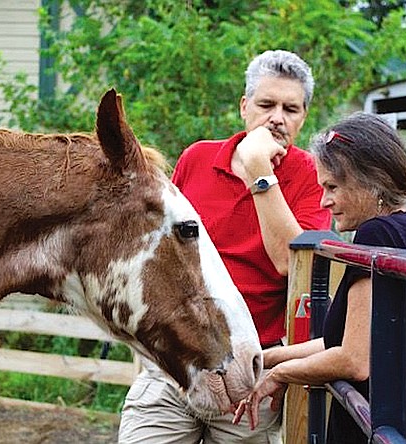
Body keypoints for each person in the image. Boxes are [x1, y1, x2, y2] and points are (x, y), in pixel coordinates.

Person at [118, 50, 331, 443]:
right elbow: (159, 251)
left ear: (304, 115)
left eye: (291, 108)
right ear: (244, 106)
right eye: (266, 104)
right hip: (176, 364)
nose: (277, 118)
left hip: (250, 373)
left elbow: (289, 262)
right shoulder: (197, 158)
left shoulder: (311, 176)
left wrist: (259, 171)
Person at [233, 112, 406, 444]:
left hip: (401, 431)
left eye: (332, 187)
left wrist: (280, 375)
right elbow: (350, 339)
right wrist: (271, 357)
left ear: (371, 181)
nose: (324, 201)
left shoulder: (379, 233)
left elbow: (353, 359)